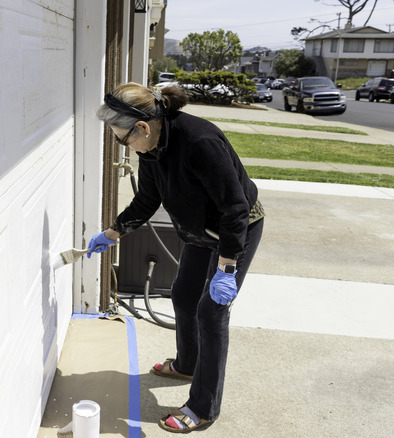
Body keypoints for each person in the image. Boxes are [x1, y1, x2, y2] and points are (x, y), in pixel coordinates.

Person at [86, 83, 265, 433]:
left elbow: (235, 208)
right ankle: (187, 364)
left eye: (122, 139)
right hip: (199, 231)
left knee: (211, 312)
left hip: (234, 231)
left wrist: (227, 268)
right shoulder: (150, 148)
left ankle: (203, 407)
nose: (122, 146)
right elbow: (147, 200)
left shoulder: (200, 142)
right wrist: (113, 232)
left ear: (143, 127)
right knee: (183, 296)